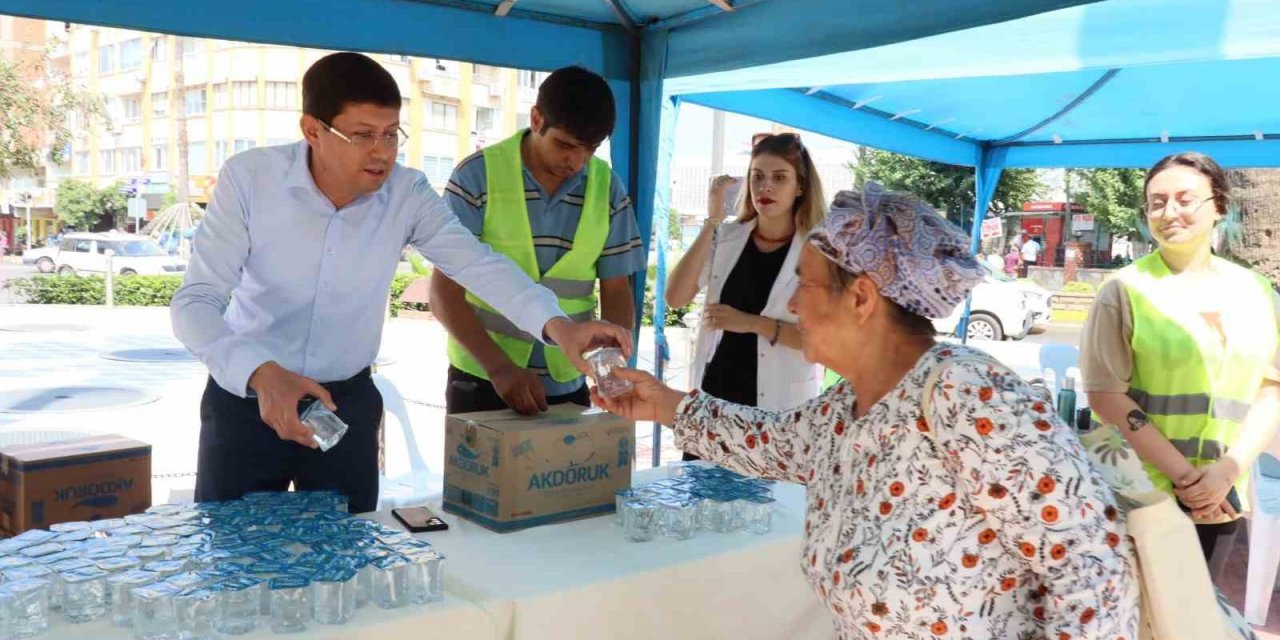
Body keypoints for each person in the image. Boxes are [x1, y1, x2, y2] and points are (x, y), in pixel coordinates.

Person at [595, 183, 1139, 639]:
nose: (791, 304)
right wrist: (662, 403)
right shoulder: (847, 405)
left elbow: (1093, 568)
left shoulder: (971, 394)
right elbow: (771, 441)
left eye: (804, 285)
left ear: (860, 298)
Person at [171, 52, 629, 513]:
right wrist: (259, 373)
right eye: (363, 135)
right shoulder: (251, 179)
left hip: (344, 404)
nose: (382, 151)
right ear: (312, 130)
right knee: (231, 546)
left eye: (391, 133)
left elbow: (479, 265)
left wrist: (559, 328)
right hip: (248, 398)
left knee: (348, 548)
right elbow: (196, 302)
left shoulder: (407, 193)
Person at [1082, 151, 1280, 581]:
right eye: (1157, 203)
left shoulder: (1256, 291)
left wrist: (1226, 473)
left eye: (1185, 199)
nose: (1169, 212)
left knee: (1197, 608)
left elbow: (1272, 389)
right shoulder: (1124, 290)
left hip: (1221, 496)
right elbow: (1104, 395)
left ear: (1219, 205)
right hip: (1139, 492)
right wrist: (1189, 479)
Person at [432, 66, 645, 415]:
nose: (576, 161)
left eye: (590, 149)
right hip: (481, 377)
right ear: (535, 119)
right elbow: (443, 294)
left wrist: (611, 368)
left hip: (569, 380)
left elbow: (617, 288)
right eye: (565, 145)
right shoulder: (476, 176)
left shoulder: (608, 188)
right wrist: (498, 367)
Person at [664, 133, 826, 460]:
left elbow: (825, 342)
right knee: (701, 488)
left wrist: (753, 324)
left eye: (779, 178)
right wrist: (712, 221)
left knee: (765, 491)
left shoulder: (820, 251)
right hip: (715, 398)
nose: (765, 187)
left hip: (777, 409)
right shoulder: (727, 237)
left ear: (800, 186)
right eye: (757, 176)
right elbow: (675, 297)